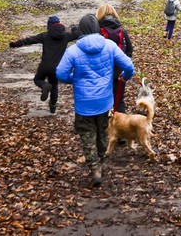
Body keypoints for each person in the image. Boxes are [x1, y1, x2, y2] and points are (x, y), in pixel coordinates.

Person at [56, 14, 134, 187]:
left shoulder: (73, 50)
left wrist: (74, 79)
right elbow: (129, 66)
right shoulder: (109, 46)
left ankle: (95, 167)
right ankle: (100, 160)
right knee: (102, 132)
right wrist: (123, 77)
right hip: (105, 101)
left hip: (84, 104)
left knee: (87, 134)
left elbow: (60, 73)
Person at [9, 16, 79, 114]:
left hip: (45, 66)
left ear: (49, 26)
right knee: (54, 86)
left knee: (37, 79)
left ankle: (44, 85)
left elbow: (30, 40)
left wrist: (15, 44)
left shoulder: (45, 36)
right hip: (57, 67)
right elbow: (76, 34)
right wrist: (74, 28)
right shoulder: (66, 36)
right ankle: (53, 107)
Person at [96, 4, 133, 114]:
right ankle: (120, 127)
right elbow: (129, 50)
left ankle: (104, 127)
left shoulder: (97, 30)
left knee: (102, 100)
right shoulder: (121, 30)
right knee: (119, 101)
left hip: (101, 71)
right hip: (119, 71)